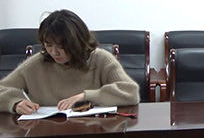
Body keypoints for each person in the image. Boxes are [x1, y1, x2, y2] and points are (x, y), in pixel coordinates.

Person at [0, 9, 140, 114]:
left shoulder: (101, 59)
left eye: (61, 46)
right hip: (46, 133)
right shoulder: (35, 64)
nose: (54, 52)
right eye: (49, 45)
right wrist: (15, 103)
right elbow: (2, 89)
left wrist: (85, 96)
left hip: (92, 131)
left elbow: (131, 92)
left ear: (77, 42)